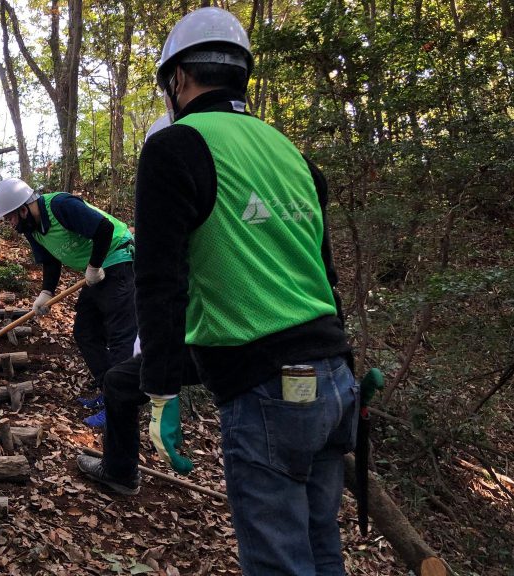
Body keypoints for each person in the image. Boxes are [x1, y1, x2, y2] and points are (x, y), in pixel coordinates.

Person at [135, 8, 356, 575]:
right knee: (321, 546)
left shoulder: (175, 148)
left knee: (280, 561)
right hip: (334, 382)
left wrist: (161, 392)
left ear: (178, 79)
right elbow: (324, 276)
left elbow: (160, 281)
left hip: (268, 391)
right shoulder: (294, 155)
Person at [77, 115, 191, 494]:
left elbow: (166, 285)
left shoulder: (189, 197)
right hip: (206, 334)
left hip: (220, 336)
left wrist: (162, 384)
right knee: (120, 380)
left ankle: (121, 472)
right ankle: (120, 471)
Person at [0, 177, 137, 428]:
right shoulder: (32, 228)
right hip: (97, 270)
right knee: (85, 332)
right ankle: (109, 390)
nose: (11, 223)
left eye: (11, 217)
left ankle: (120, 407)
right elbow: (50, 261)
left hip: (119, 257)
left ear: (24, 209)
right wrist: (46, 292)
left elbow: (104, 229)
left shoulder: (61, 206)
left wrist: (93, 266)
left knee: (120, 335)